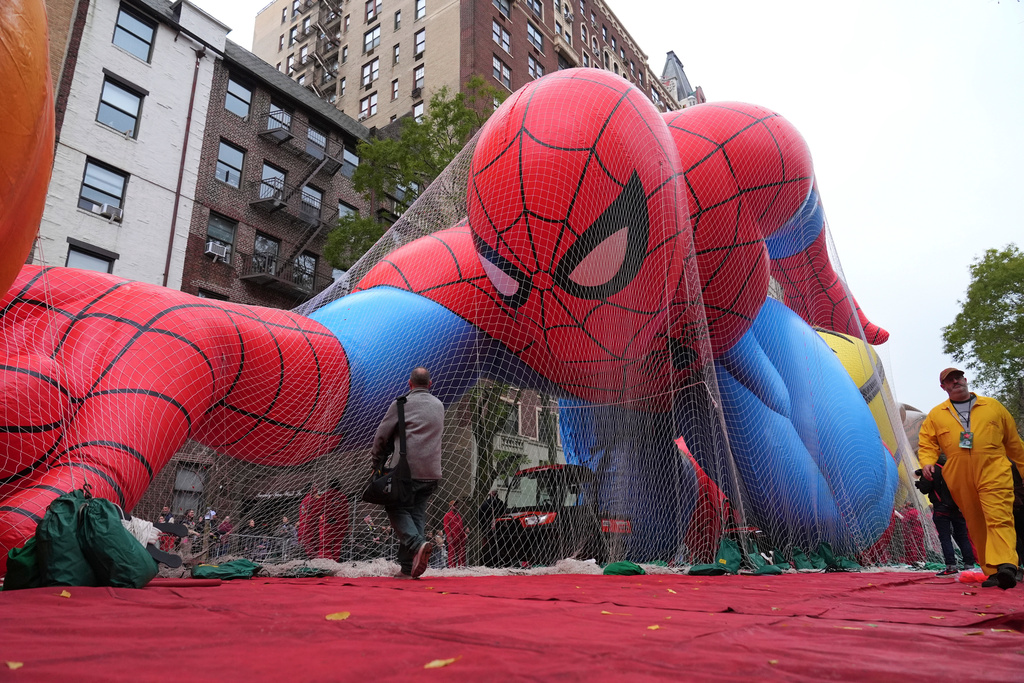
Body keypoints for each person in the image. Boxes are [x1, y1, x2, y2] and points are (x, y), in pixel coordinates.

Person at [918, 368, 1024, 589]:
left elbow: (1014, 444)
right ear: (944, 387)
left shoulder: (993, 407)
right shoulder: (937, 414)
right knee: (976, 523)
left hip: (993, 468)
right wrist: (927, 462)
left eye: (958, 377)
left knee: (999, 515)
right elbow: (927, 443)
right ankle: (993, 571)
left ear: (965, 380)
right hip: (958, 473)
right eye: (949, 380)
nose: (955, 381)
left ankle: (1007, 564)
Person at [370, 367, 445, 578]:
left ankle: (417, 543)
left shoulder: (401, 403)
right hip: (432, 472)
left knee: (394, 506)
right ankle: (406, 567)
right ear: (430, 385)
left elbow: (381, 437)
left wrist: (376, 463)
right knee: (416, 515)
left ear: (409, 384)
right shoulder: (439, 406)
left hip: (405, 471)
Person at [915, 456, 977, 575]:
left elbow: (925, 489)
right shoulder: (955, 467)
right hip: (958, 507)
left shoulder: (931, 469)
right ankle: (969, 564)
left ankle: (951, 566)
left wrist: (919, 482)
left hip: (941, 508)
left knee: (945, 537)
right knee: (963, 537)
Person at [477, 489, 506, 565]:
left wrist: (483, 526)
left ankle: (488, 561)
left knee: (490, 545)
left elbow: (480, 516)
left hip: (490, 528)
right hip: (496, 529)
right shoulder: (499, 503)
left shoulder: (486, 504)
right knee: (495, 545)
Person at [443, 500, 468, 568]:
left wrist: (464, 535)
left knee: (462, 553)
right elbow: (446, 527)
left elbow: (461, 526)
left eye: (457, 505)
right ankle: (452, 568)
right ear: (450, 507)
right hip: (453, 537)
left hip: (460, 537)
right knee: (452, 554)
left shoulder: (458, 515)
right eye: (454, 505)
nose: (456, 506)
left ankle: (462, 567)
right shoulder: (447, 515)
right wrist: (449, 536)